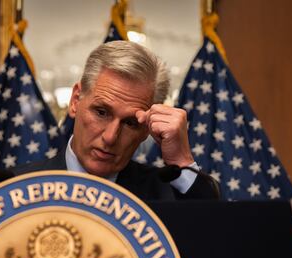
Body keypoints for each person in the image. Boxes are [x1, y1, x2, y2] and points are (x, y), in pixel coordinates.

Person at [13, 40, 219, 200]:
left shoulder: (165, 194)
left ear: (147, 129)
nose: (110, 138)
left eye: (130, 123)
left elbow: (211, 240)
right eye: (101, 112)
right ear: (76, 100)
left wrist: (182, 162)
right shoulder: (11, 189)